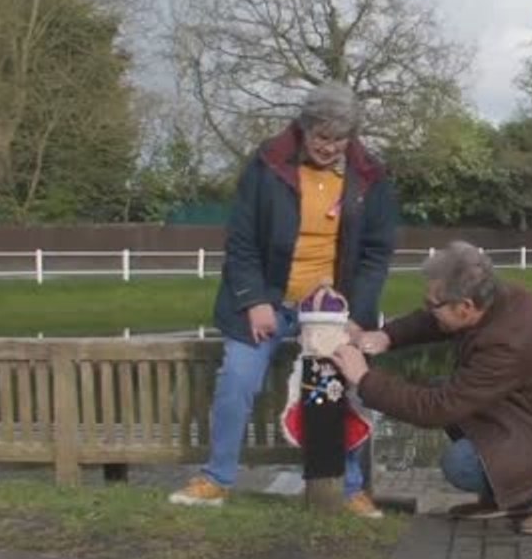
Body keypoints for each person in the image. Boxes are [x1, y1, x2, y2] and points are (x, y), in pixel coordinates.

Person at [169, 82, 398, 517]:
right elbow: (241, 242)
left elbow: (374, 256)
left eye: (339, 139)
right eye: (321, 137)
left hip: (331, 309)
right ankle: (216, 480)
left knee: (341, 386)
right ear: (304, 127)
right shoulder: (268, 164)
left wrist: (357, 316)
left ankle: (349, 488)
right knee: (237, 378)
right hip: (269, 299)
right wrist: (253, 299)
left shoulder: (370, 176)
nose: (329, 147)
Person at [331, 241, 532, 535]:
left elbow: (437, 409)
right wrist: (387, 335)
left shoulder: (506, 343)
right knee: (443, 389)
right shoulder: (496, 301)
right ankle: (508, 497)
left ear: (465, 307)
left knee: (460, 464)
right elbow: (436, 323)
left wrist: (364, 378)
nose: (427, 310)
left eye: (432, 304)